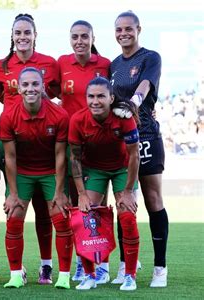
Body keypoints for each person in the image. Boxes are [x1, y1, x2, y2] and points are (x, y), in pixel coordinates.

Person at [0, 13, 61, 285]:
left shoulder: (50, 64)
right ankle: (15, 268)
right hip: (13, 143)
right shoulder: (1, 66)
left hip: (44, 141)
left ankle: (46, 266)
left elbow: (58, 98)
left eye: (27, 32)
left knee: (47, 210)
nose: (22, 37)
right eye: (17, 33)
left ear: (35, 35)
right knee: (15, 204)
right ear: (12, 36)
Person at [110, 11, 168, 288]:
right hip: (121, 141)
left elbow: (145, 84)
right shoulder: (113, 65)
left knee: (153, 200)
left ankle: (160, 268)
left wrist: (135, 99)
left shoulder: (150, 57)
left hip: (145, 136)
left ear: (138, 29)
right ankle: (125, 265)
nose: (123, 33)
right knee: (124, 202)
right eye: (119, 29)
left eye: (128, 28)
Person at [0, 67, 73, 289]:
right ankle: (15, 274)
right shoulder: (8, 116)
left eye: (35, 84)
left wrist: (60, 192)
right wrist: (13, 194)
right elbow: (10, 158)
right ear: (18, 88)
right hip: (21, 172)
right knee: (13, 218)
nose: (30, 88)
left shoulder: (59, 115)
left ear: (43, 87)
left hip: (51, 172)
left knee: (61, 218)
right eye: (25, 85)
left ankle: (64, 276)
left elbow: (61, 155)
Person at [68, 76, 140, 291]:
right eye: (91, 96)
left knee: (127, 215)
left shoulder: (124, 119)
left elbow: (134, 156)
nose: (95, 101)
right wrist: (81, 194)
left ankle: (130, 275)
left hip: (123, 169)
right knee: (84, 216)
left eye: (101, 96)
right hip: (95, 170)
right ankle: (90, 275)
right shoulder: (78, 120)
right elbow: (75, 159)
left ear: (111, 98)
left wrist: (128, 191)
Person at [57, 20, 111, 283]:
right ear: (70, 39)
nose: (79, 41)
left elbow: (113, 96)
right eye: (75, 36)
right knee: (74, 208)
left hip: (99, 144)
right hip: (71, 143)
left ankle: (102, 263)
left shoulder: (104, 64)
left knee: (98, 207)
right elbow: (51, 92)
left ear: (92, 38)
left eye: (84, 36)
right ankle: (82, 261)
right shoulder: (61, 64)